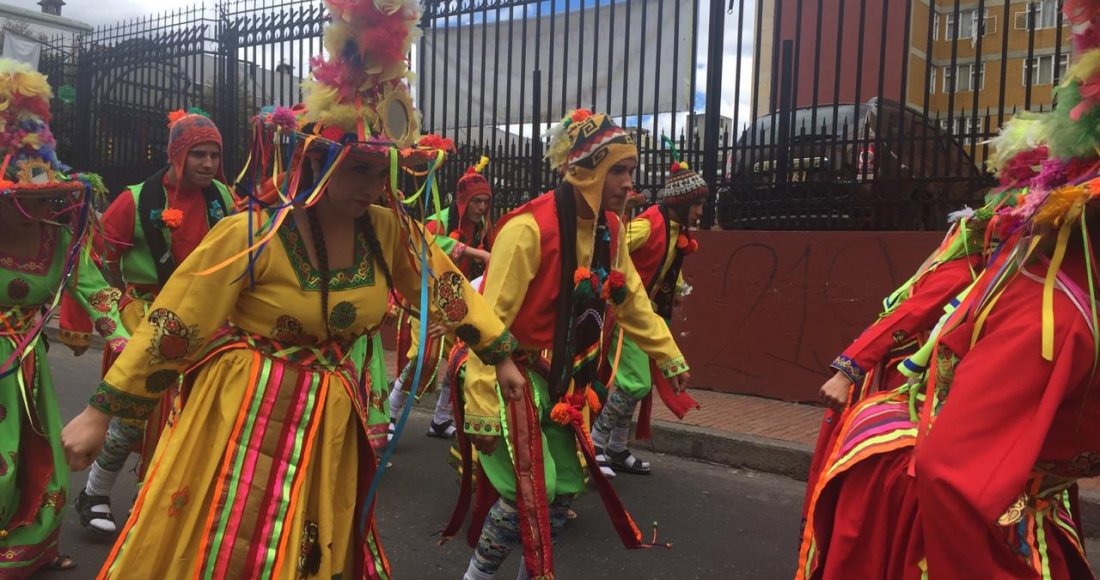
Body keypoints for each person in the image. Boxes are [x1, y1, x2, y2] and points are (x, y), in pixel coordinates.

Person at [59, 1, 525, 577]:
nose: (375, 186)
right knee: (232, 542)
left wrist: (496, 352)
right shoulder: (254, 233)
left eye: (383, 172)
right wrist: (100, 413)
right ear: (316, 160)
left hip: (330, 411)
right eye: (359, 169)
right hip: (247, 406)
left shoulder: (389, 231)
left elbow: (449, 289)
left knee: (306, 544)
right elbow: (174, 325)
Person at [457, 109, 690, 580]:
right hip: (508, 375)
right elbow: (486, 318)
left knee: (564, 492)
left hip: (560, 382)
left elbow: (630, 300)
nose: (629, 183)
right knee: (529, 491)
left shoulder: (613, 229)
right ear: (586, 172)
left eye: (630, 170)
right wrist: (481, 403)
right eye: (618, 170)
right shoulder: (528, 229)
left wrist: (667, 354)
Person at [62, 108, 234, 536]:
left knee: (193, 410)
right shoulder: (136, 198)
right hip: (147, 316)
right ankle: (96, 491)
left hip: (204, 321)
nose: (209, 164)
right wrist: (114, 323)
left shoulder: (224, 199)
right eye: (199, 154)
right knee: (134, 412)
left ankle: (158, 496)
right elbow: (95, 261)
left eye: (215, 154)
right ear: (177, 155)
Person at [0, 58, 130, 578]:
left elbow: (97, 292)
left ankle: (27, 548)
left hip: (27, 370)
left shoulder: (59, 239)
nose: (32, 206)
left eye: (42, 195)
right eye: (19, 197)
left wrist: (122, 340)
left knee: (36, 458)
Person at [591, 145, 704, 476]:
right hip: (626, 314)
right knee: (635, 384)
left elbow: (669, 264)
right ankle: (595, 443)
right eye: (696, 205)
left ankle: (616, 447)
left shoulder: (676, 231)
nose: (700, 212)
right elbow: (614, 249)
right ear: (681, 203)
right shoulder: (648, 224)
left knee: (639, 386)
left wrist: (677, 288)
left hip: (648, 315)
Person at [389, 157, 495, 440]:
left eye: (486, 201)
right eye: (476, 202)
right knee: (423, 358)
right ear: (463, 201)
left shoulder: (483, 226)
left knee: (457, 359)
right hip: (426, 299)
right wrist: (476, 253)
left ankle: (440, 418)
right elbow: (427, 244)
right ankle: (390, 412)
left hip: (457, 302)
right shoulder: (438, 222)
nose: (482, 207)